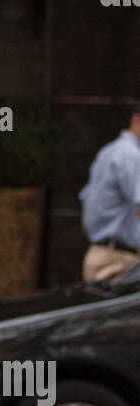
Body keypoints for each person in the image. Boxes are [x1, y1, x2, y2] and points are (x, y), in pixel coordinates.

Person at [79, 105, 140, 283]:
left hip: (102, 254)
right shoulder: (130, 155)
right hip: (118, 260)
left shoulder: (109, 151)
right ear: (136, 120)